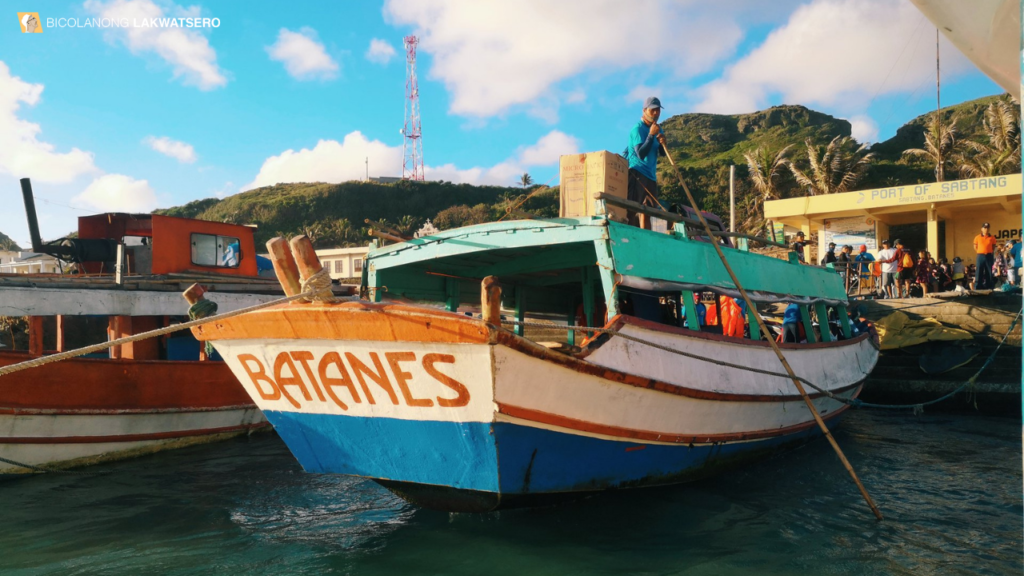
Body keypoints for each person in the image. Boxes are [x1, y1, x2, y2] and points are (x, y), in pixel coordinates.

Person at [624, 97, 666, 228]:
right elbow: (641, 154)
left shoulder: (658, 129)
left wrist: (663, 143)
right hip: (637, 172)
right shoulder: (637, 129)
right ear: (644, 110)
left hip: (651, 176)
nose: (656, 113)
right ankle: (628, 235)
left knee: (649, 212)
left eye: (658, 110)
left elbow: (663, 154)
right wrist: (651, 135)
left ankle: (647, 237)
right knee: (632, 209)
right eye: (652, 110)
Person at [973, 222, 997, 289]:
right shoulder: (977, 237)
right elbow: (975, 247)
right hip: (980, 256)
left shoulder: (992, 237)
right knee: (979, 271)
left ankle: (988, 287)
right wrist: (980, 251)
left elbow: (993, 246)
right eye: (985, 227)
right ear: (982, 229)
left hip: (989, 256)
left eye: (987, 228)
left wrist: (988, 251)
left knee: (988, 271)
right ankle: (978, 287)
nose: (986, 229)